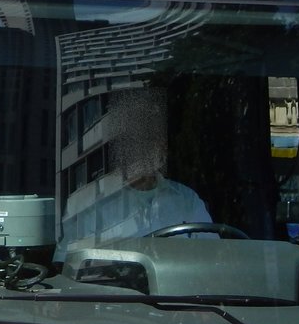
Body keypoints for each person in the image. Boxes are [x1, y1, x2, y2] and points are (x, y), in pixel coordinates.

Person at [54, 88, 213, 263]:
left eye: (152, 137)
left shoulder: (187, 200)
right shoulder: (87, 204)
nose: (145, 147)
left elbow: (212, 258)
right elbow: (68, 266)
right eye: (136, 137)